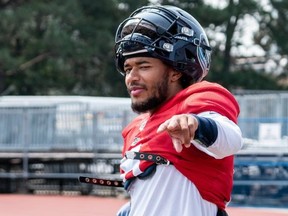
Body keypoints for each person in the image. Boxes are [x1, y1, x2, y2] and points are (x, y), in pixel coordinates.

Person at [114, 5, 243, 216]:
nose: (132, 77)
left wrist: (196, 124)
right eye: (128, 68)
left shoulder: (199, 98)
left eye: (144, 66)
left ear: (175, 71)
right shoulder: (133, 129)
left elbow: (231, 140)